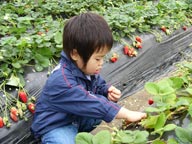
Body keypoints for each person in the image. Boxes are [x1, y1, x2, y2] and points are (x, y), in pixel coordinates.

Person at [31, 12, 147, 144]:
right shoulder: (62, 80)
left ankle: (77, 134)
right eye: (98, 58)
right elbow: (89, 102)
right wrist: (126, 114)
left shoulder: (82, 68)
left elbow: (97, 83)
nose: (101, 62)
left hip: (75, 118)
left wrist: (106, 90)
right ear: (75, 54)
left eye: (103, 57)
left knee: (101, 103)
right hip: (56, 125)